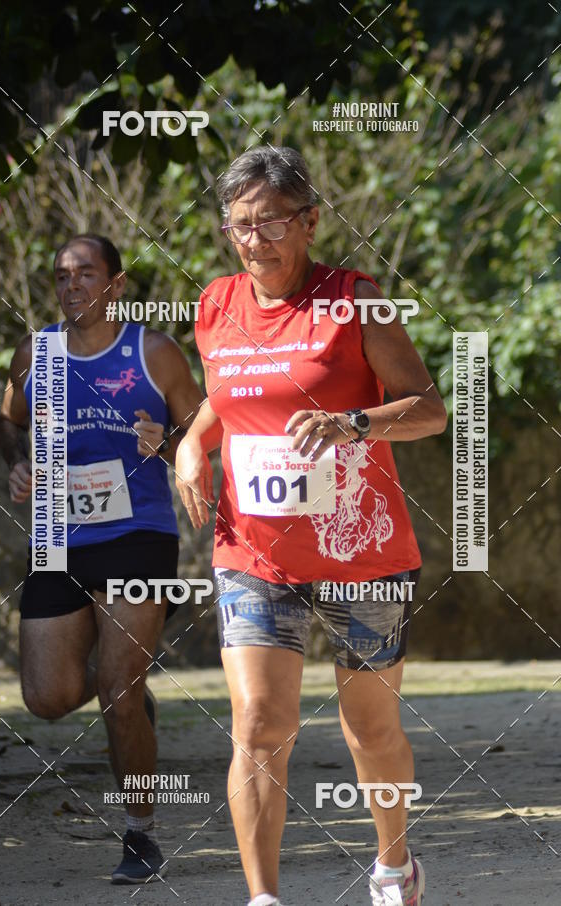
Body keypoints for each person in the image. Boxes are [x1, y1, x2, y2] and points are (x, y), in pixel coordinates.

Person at [175, 148, 447, 906]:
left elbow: (429, 409)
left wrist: (352, 423)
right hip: (253, 550)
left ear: (310, 221)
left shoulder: (355, 300)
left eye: (269, 223)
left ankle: (393, 867)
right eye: (239, 226)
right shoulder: (217, 305)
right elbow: (224, 400)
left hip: (361, 551)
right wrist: (192, 447)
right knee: (260, 724)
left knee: (370, 729)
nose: (254, 240)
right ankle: (264, 899)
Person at [0, 233, 203, 884]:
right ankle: (131, 694)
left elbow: (205, 437)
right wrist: (18, 462)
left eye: (86, 274)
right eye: (61, 276)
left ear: (116, 285)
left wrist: (168, 442)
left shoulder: (153, 352)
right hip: (58, 536)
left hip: (138, 534)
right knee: (48, 697)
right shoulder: (38, 354)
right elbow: (9, 419)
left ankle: (140, 834)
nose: (72, 285)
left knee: (116, 693)